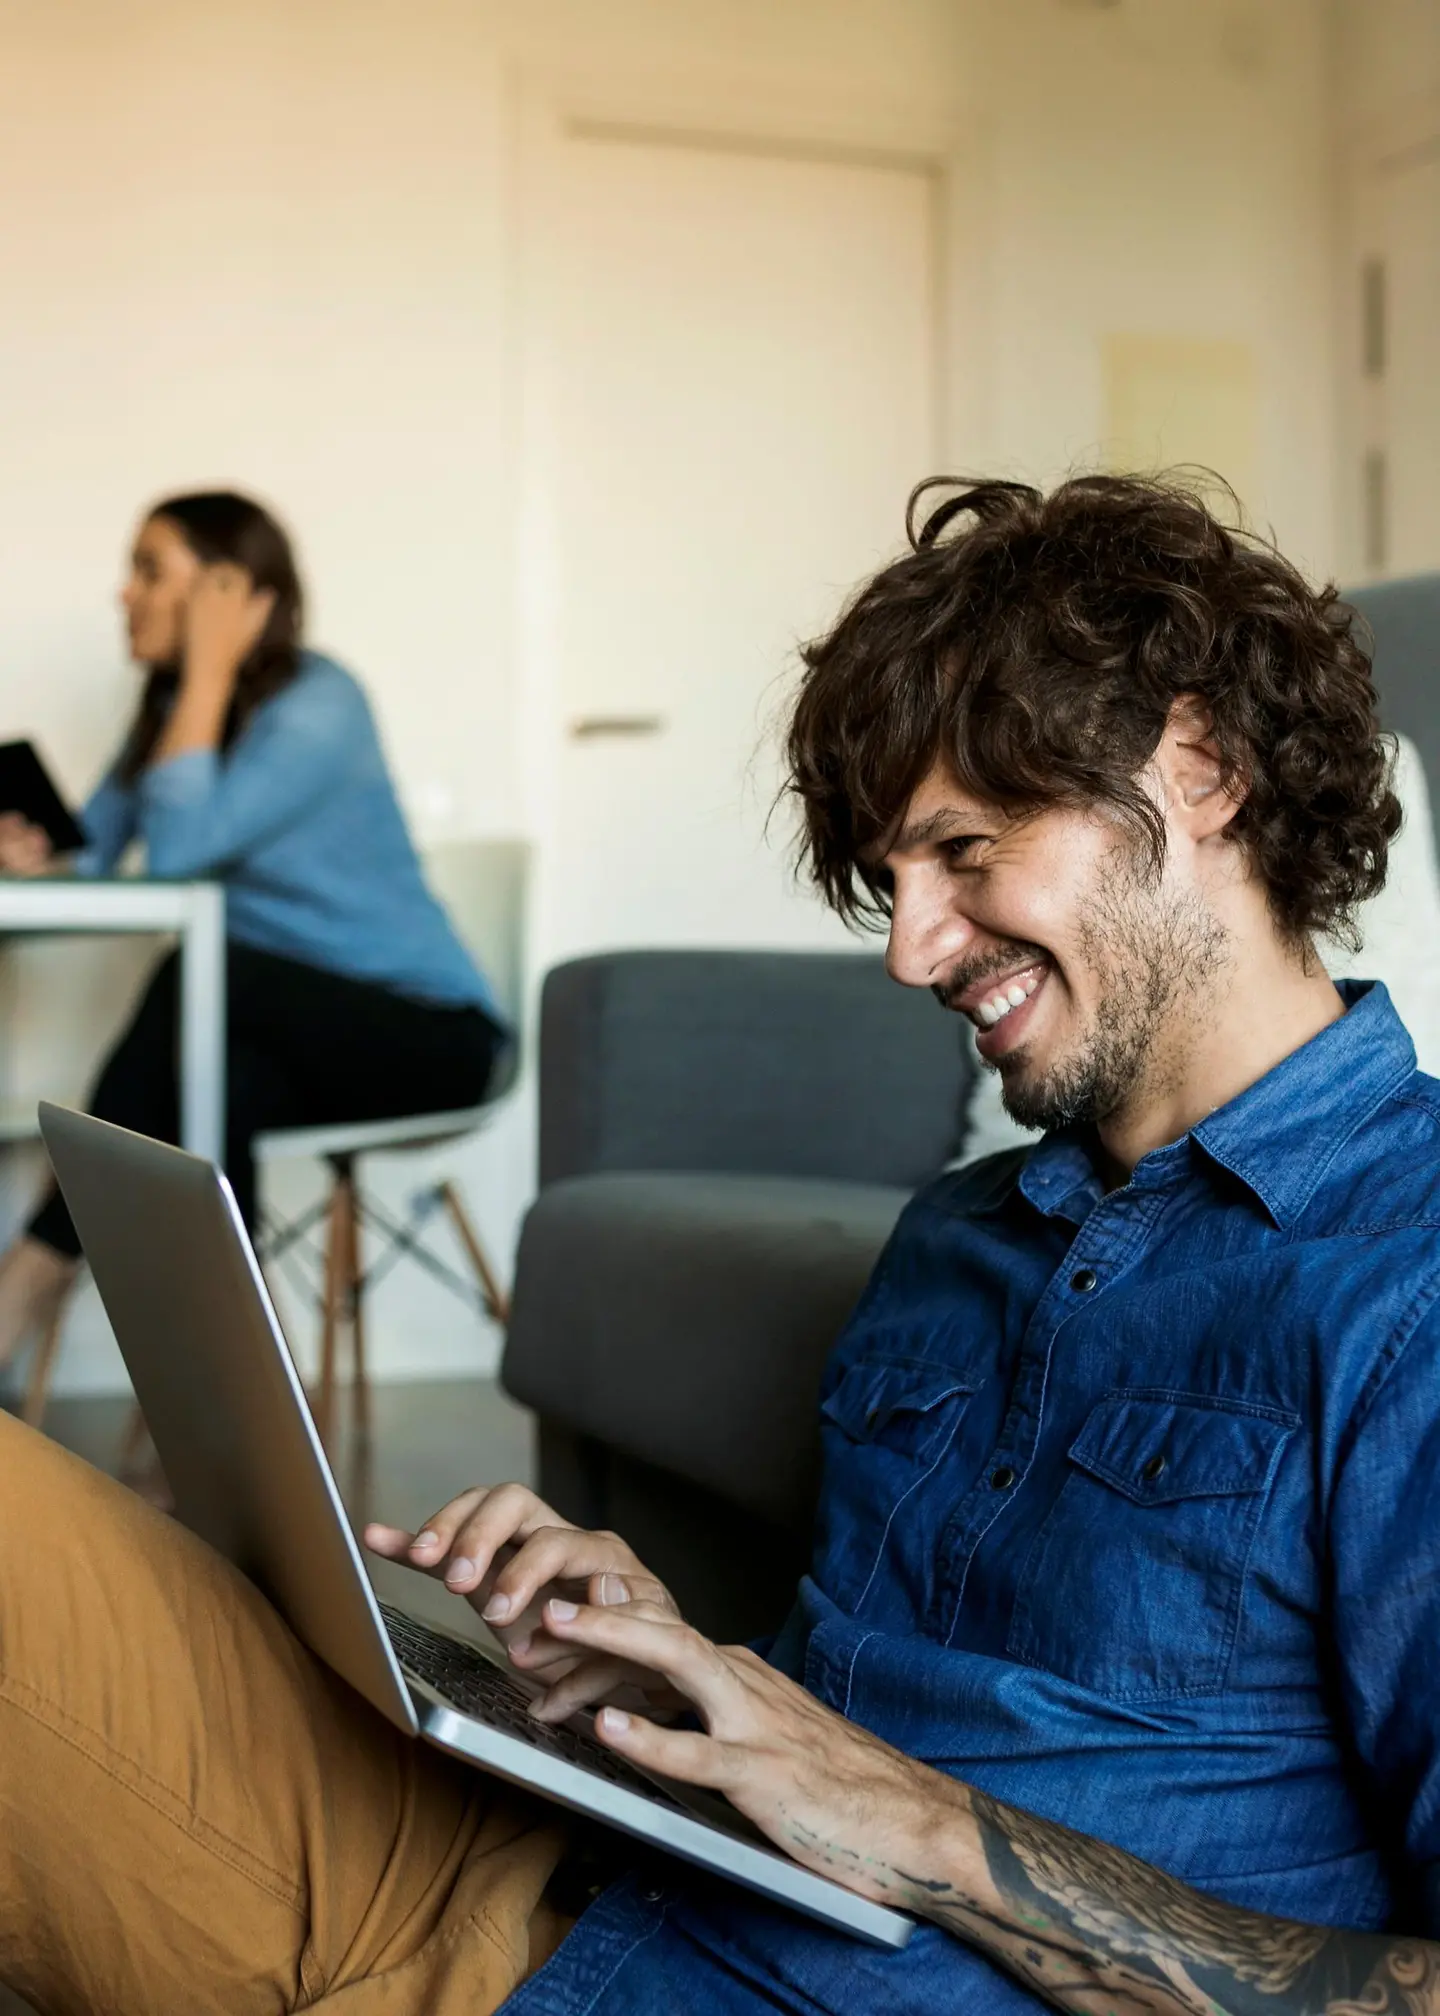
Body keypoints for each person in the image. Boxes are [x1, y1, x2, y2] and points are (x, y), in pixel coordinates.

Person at [2, 472, 1439, 2016]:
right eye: (891, 879)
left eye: (963, 851)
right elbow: (868, 1689)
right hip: (515, 1873)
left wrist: (934, 1835)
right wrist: (663, 1660)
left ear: (1201, 765)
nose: (909, 950)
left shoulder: (1404, 1279)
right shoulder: (963, 1236)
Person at [0, 491, 507, 1382]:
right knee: (212, 1083)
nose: (125, 596)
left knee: (203, 979)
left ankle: (24, 1280)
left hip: (429, 1031)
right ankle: (243, 1406)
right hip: (274, 1025)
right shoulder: (168, 717)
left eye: (151, 572)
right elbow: (104, 857)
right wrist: (39, 861)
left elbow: (186, 848)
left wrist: (204, 674)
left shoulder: (322, 701)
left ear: (232, 594)